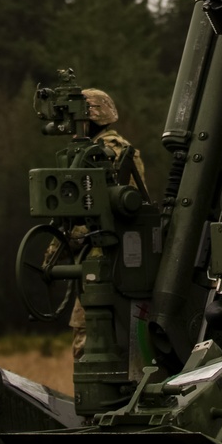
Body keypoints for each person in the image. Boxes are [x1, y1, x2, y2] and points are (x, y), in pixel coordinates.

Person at [67, 88, 145, 361]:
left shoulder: (104, 152)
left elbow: (88, 211)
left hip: (104, 264)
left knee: (91, 348)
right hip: (114, 261)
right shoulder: (111, 150)